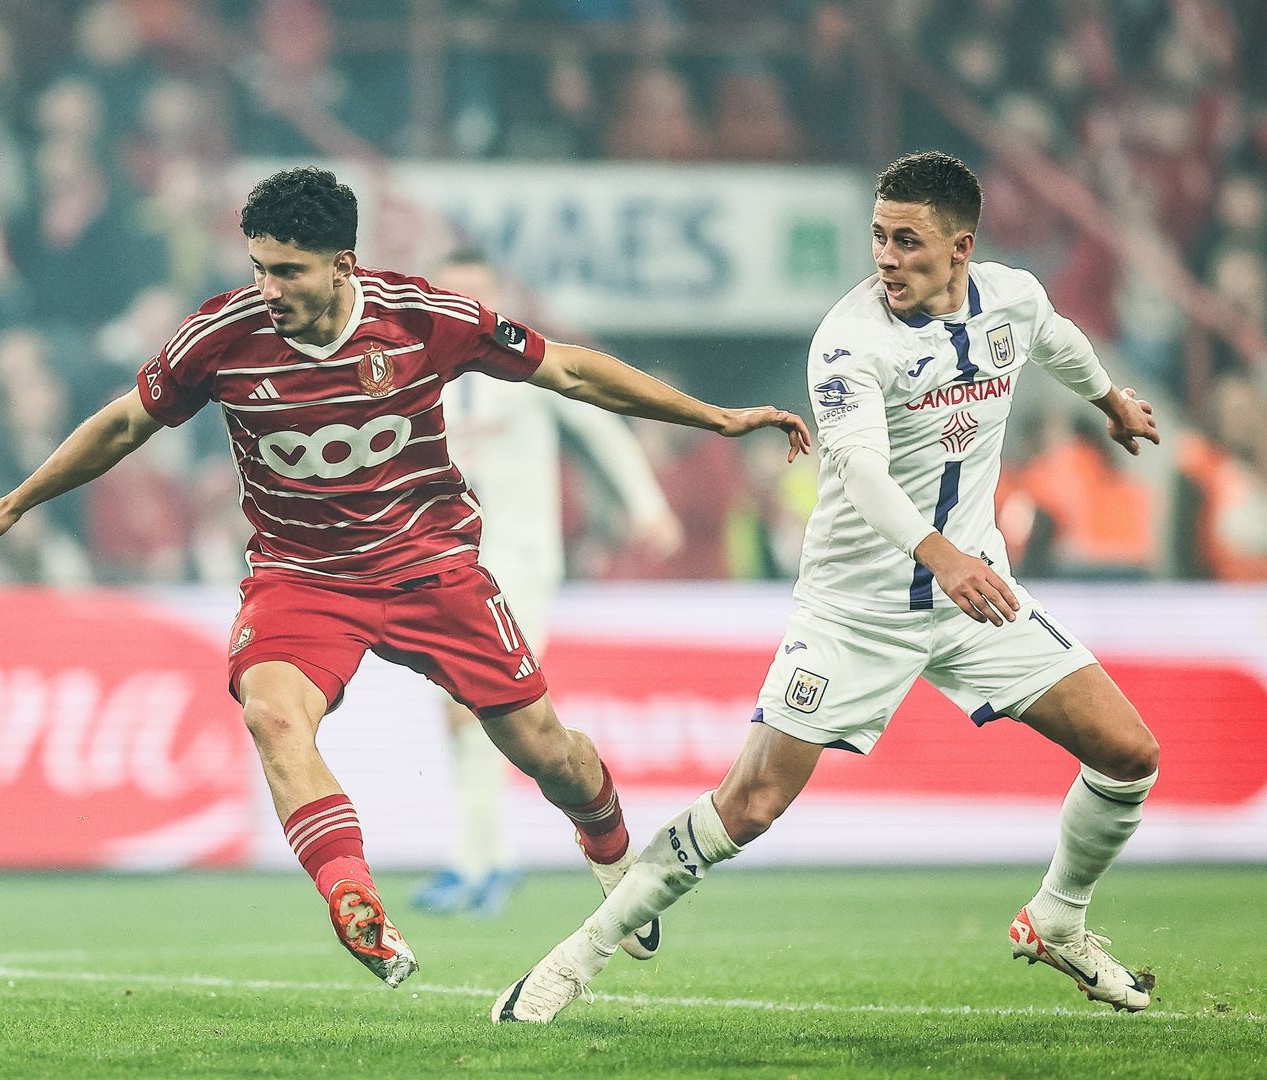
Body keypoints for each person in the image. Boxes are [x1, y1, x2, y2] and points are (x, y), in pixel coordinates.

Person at [0, 167, 809, 987]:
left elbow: (571, 369)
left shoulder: (423, 317)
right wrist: (16, 503)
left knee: (546, 753)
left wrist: (713, 417)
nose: (268, 288)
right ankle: (351, 896)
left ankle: (610, 844)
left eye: (287, 271)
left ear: (343, 265)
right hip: (301, 576)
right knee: (273, 715)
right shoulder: (220, 334)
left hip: (432, 567)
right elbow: (126, 425)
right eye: (257, 267)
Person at [493, 151, 1164, 1023]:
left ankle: (1059, 919)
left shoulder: (1013, 299)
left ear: (961, 248)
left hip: (974, 597)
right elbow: (858, 467)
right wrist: (941, 555)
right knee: (752, 803)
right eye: (878, 237)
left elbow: (1058, 338)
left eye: (908, 241)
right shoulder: (851, 339)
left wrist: (1107, 396)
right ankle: (572, 961)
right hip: (859, 611)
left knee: (1130, 755)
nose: (886, 256)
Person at [410, 250, 682, 917]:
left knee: (490, 707)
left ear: (495, 294)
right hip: (451, 568)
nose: (466, 302)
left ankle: (480, 864)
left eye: (476, 291)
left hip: (524, 562)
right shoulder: (425, 379)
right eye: (455, 292)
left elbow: (602, 424)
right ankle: (484, 859)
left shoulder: (525, 362)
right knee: (458, 714)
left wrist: (646, 505)